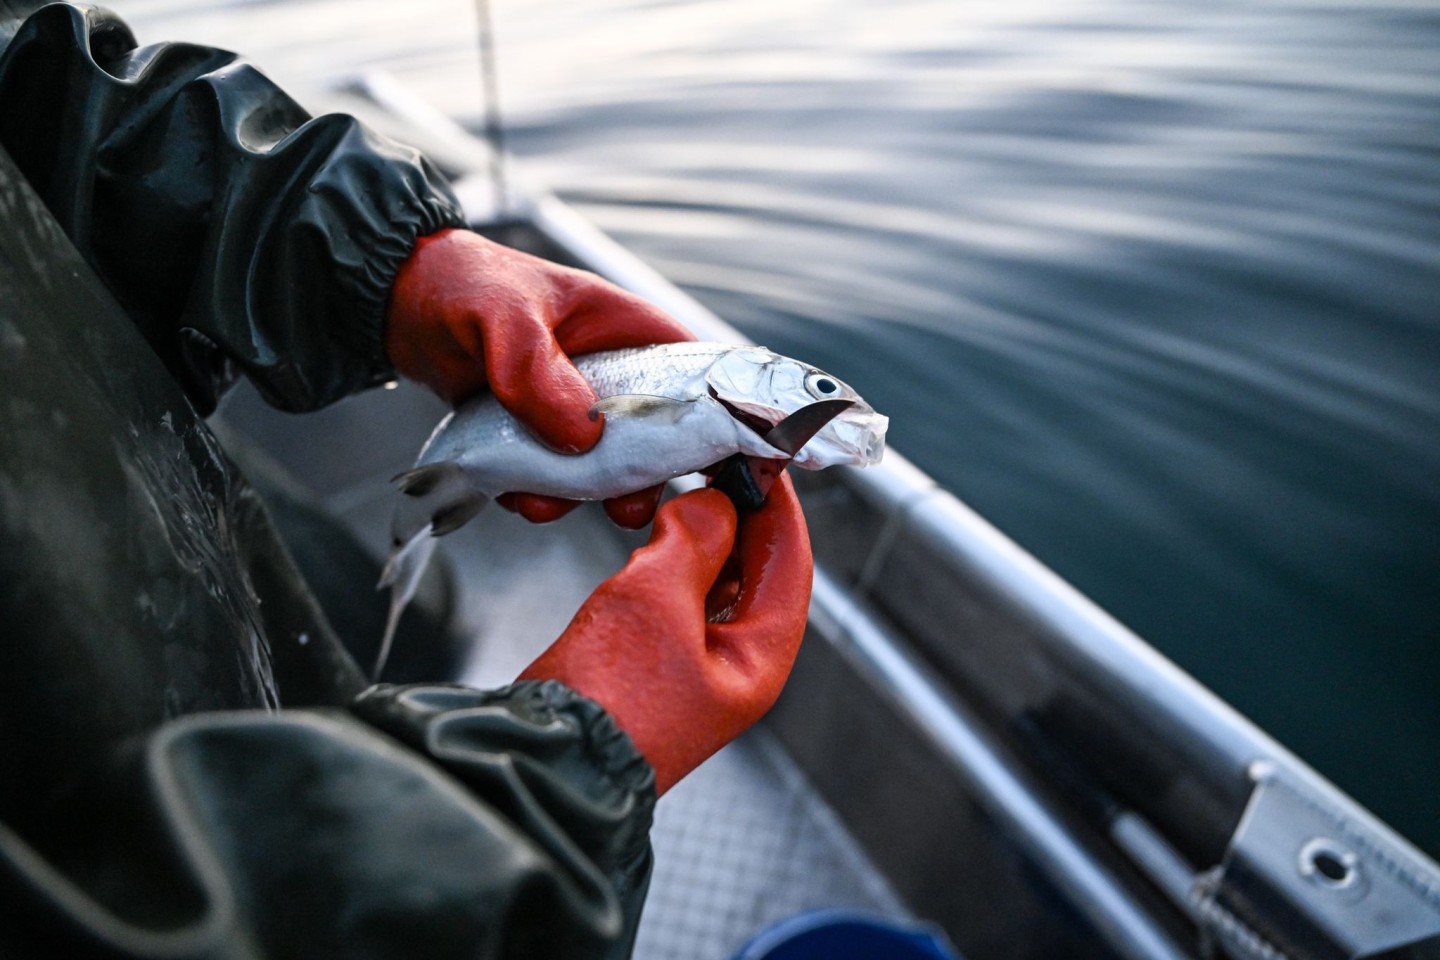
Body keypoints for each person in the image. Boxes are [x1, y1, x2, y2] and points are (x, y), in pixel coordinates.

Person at [0, 3, 812, 957]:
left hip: (152, 511)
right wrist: (555, 781)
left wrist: (367, 255)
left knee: (357, 615)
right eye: (812, 391)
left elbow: (33, 85)